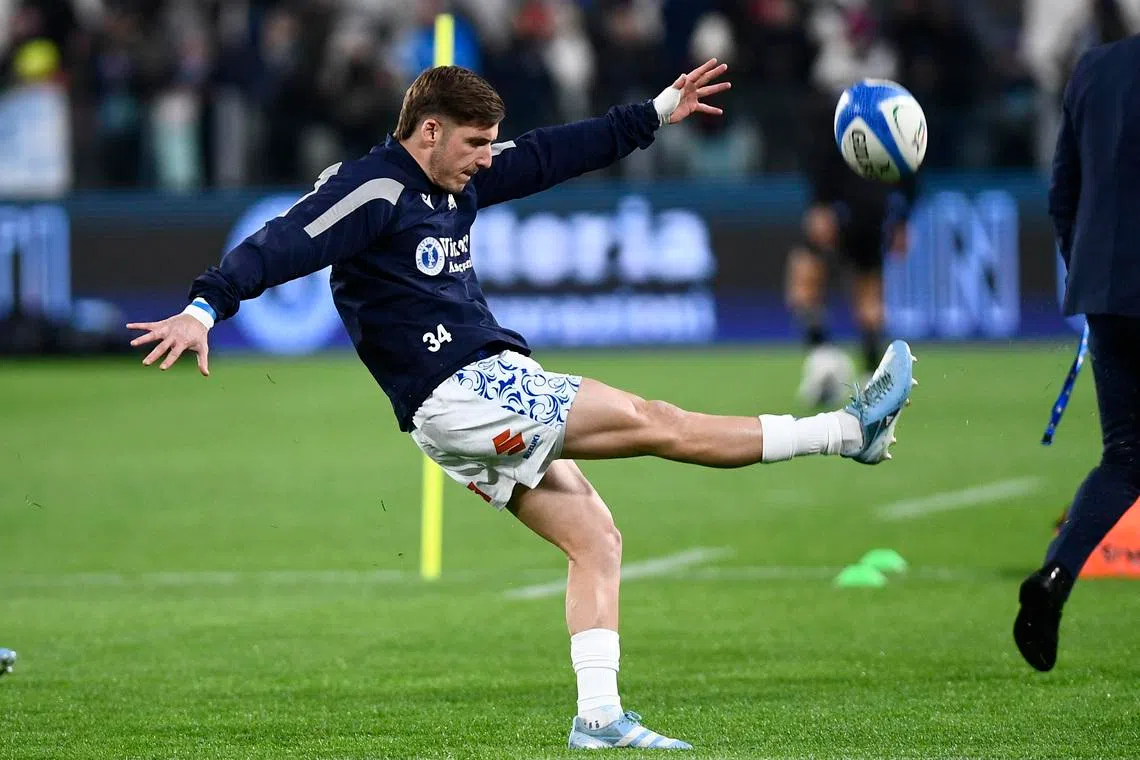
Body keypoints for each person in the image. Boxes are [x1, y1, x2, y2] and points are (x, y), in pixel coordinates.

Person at [128, 61, 916, 750]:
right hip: (463, 391)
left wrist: (652, 115)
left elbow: (545, 156)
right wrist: (206, 306)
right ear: (429, 131)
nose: (485, 160)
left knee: (597, 538)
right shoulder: (373, 189)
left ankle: (598, 719)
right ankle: (849, 431)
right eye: (474, 145)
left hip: (463, 402)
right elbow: (289, 237)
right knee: (653, 421)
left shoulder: (453, 175)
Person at [1015, 35, 1140, 673]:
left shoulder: (1095, 66)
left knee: (1125, 454)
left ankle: (1056, 576)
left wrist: (1090, 279)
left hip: (1106, 290)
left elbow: (1063, 195)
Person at [786, 91, 916, 406]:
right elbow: (912, 164)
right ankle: (866, 372)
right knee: (868, 293)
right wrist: (901, 218)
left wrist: (820, 205)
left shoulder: (843, 119)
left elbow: (821, 159)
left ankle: (826, 358)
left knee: (805, 280)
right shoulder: (898, 117)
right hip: (874, 213)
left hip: (845, 210)